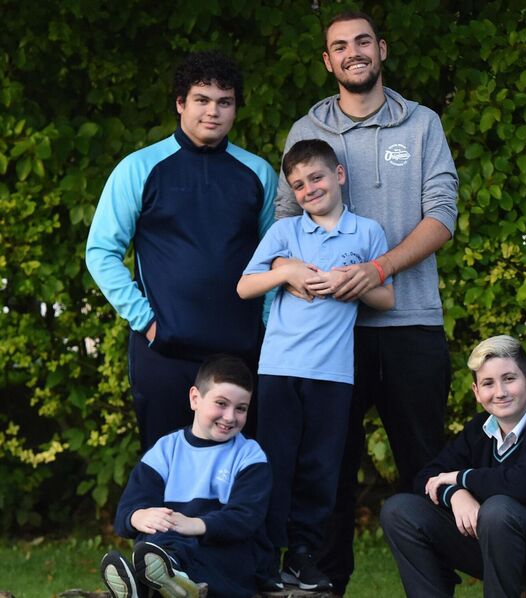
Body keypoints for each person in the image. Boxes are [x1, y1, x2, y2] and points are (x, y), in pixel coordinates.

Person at [274, 11, 459, 593]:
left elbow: (442, 217)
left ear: (381, 49)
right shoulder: (307, 128)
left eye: (362, 42)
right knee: (327, 466)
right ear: (328, 62)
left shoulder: (423, 123)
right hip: (330, 331)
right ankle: (323, 584)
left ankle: (434, 585)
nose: (353, 52)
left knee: (425, 466)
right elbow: (282, 224)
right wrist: (295, 273)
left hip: (412, 324)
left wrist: (378, 267)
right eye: (338, 46)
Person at [86, 50, 277, 452]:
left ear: (236, 109)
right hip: (165, 353)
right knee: (165, 477)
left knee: (238, 479)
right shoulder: (140, 167)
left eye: (224, 102)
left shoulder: (258, 173)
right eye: (202, 100)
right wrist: (148, 322)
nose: (213, 112)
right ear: (180, 104)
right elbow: (102, 251)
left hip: (240, 355)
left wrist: (263, 327)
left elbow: (274, 257)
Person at [237, 139, 394, 591]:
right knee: (276, 464)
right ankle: (265, 559)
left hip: (334, 375)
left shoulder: (367, 233)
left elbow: (386, 298)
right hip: (281, 370)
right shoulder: (286, 233)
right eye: (298, 184)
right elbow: (245, 287)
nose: (309, 189)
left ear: (339, 175)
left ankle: (302, 556)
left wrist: (353, 282)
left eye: (317, 177)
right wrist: (285, 272)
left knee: (320, 470)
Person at [381, 335, 526, 597]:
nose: (500, 392)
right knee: (399, 510)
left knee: (498, 510)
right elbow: (427, 478)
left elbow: (523, 486)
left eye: (509, 378)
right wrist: (455, 494)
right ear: (477, 392)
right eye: (488, 383)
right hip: (495, 545)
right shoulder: (479, 430)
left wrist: (462, 478)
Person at [99, 354, 271, 598]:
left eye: (241, 409)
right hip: (167, 547)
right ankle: (165, 580)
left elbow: (246, 518)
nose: (231, 417)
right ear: (195, 399)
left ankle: (153, 583)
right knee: (158, 543)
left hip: (226, 559)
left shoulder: (249, 455)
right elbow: (126, 511)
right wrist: (139, 516)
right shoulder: (165, 450)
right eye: (221, 403)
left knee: (178, 549)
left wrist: (195, 524)